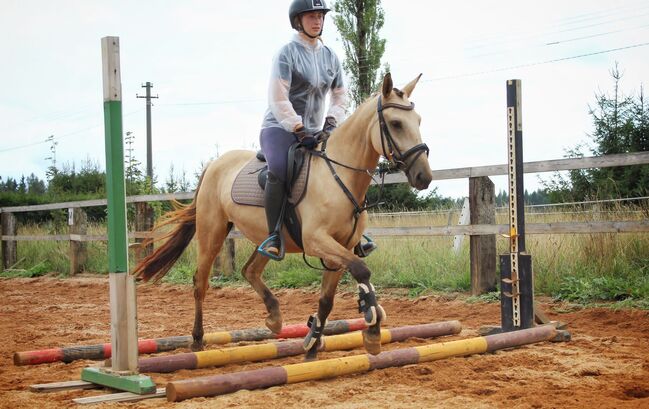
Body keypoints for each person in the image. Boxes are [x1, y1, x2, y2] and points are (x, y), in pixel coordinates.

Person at [258, 0, 375, 261]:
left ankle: (354, 235)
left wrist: (332, 121)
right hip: (280, 127)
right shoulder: (286, 53)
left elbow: (340, 95)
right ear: (298, 21)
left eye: (320, 16)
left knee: (342, 166)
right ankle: (274, 234)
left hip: (316, 130)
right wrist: (297, 128)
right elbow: (278, 98)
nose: (317, 21)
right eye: (311, 16)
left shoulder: (330, 56)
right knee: (279, 168)